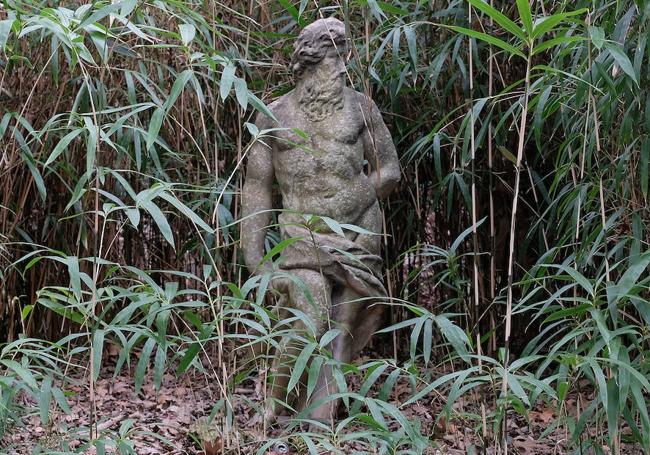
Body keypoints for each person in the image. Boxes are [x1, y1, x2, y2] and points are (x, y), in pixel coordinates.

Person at [241, 17, 400, 424]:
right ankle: (276, 405)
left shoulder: (361, 108)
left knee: (342, 325)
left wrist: (352, 198)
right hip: (300, 237)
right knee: (309, 311)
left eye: (345, 58)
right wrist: (255, 259)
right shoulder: (273, 116)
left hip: (358, 231)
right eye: (336, 60)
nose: (344, 69)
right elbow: (258, 189)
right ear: (310, 63)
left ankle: (318, 419)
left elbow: (390, 171)